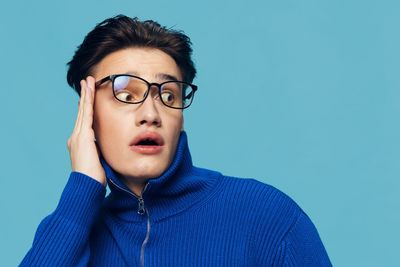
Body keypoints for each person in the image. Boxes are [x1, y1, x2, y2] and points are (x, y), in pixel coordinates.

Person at [20, 15, 332, 266]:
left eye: (168, 94)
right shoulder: (73, 233)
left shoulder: (267, 216)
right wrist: (82, 187)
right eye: (126, 94)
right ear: (87, 114)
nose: (150, 113)